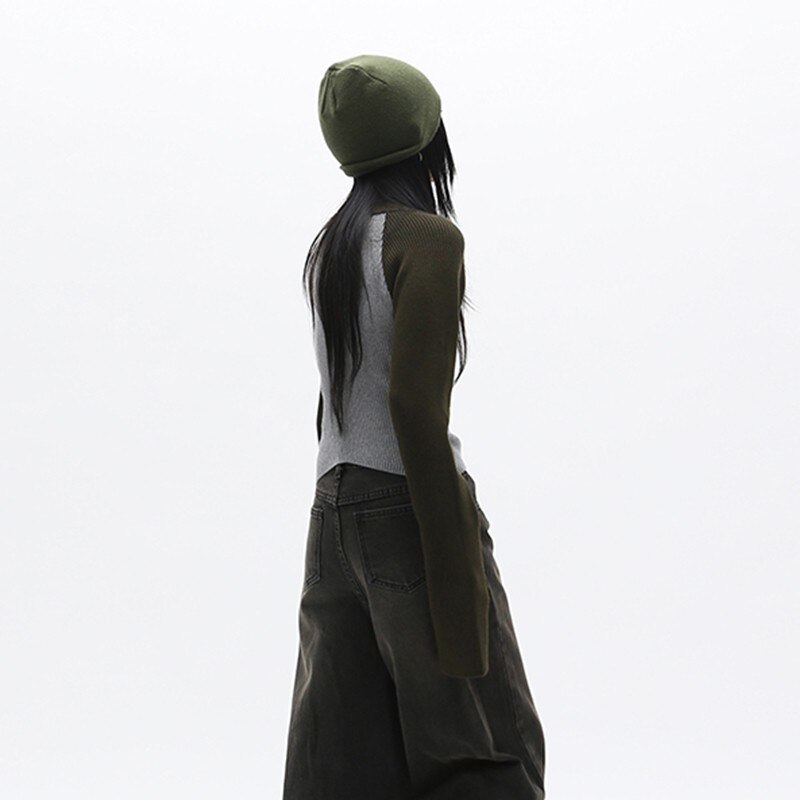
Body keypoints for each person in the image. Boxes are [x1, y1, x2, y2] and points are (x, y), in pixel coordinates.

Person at [281, 53, 546, 799]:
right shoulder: (428, 238)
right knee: (482, 742)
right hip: (409, 502)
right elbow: (414, 407)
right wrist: (454, 575)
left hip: (331, 511)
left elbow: (333, 401)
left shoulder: (329, 247)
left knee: (342, 756)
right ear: (426, 135)